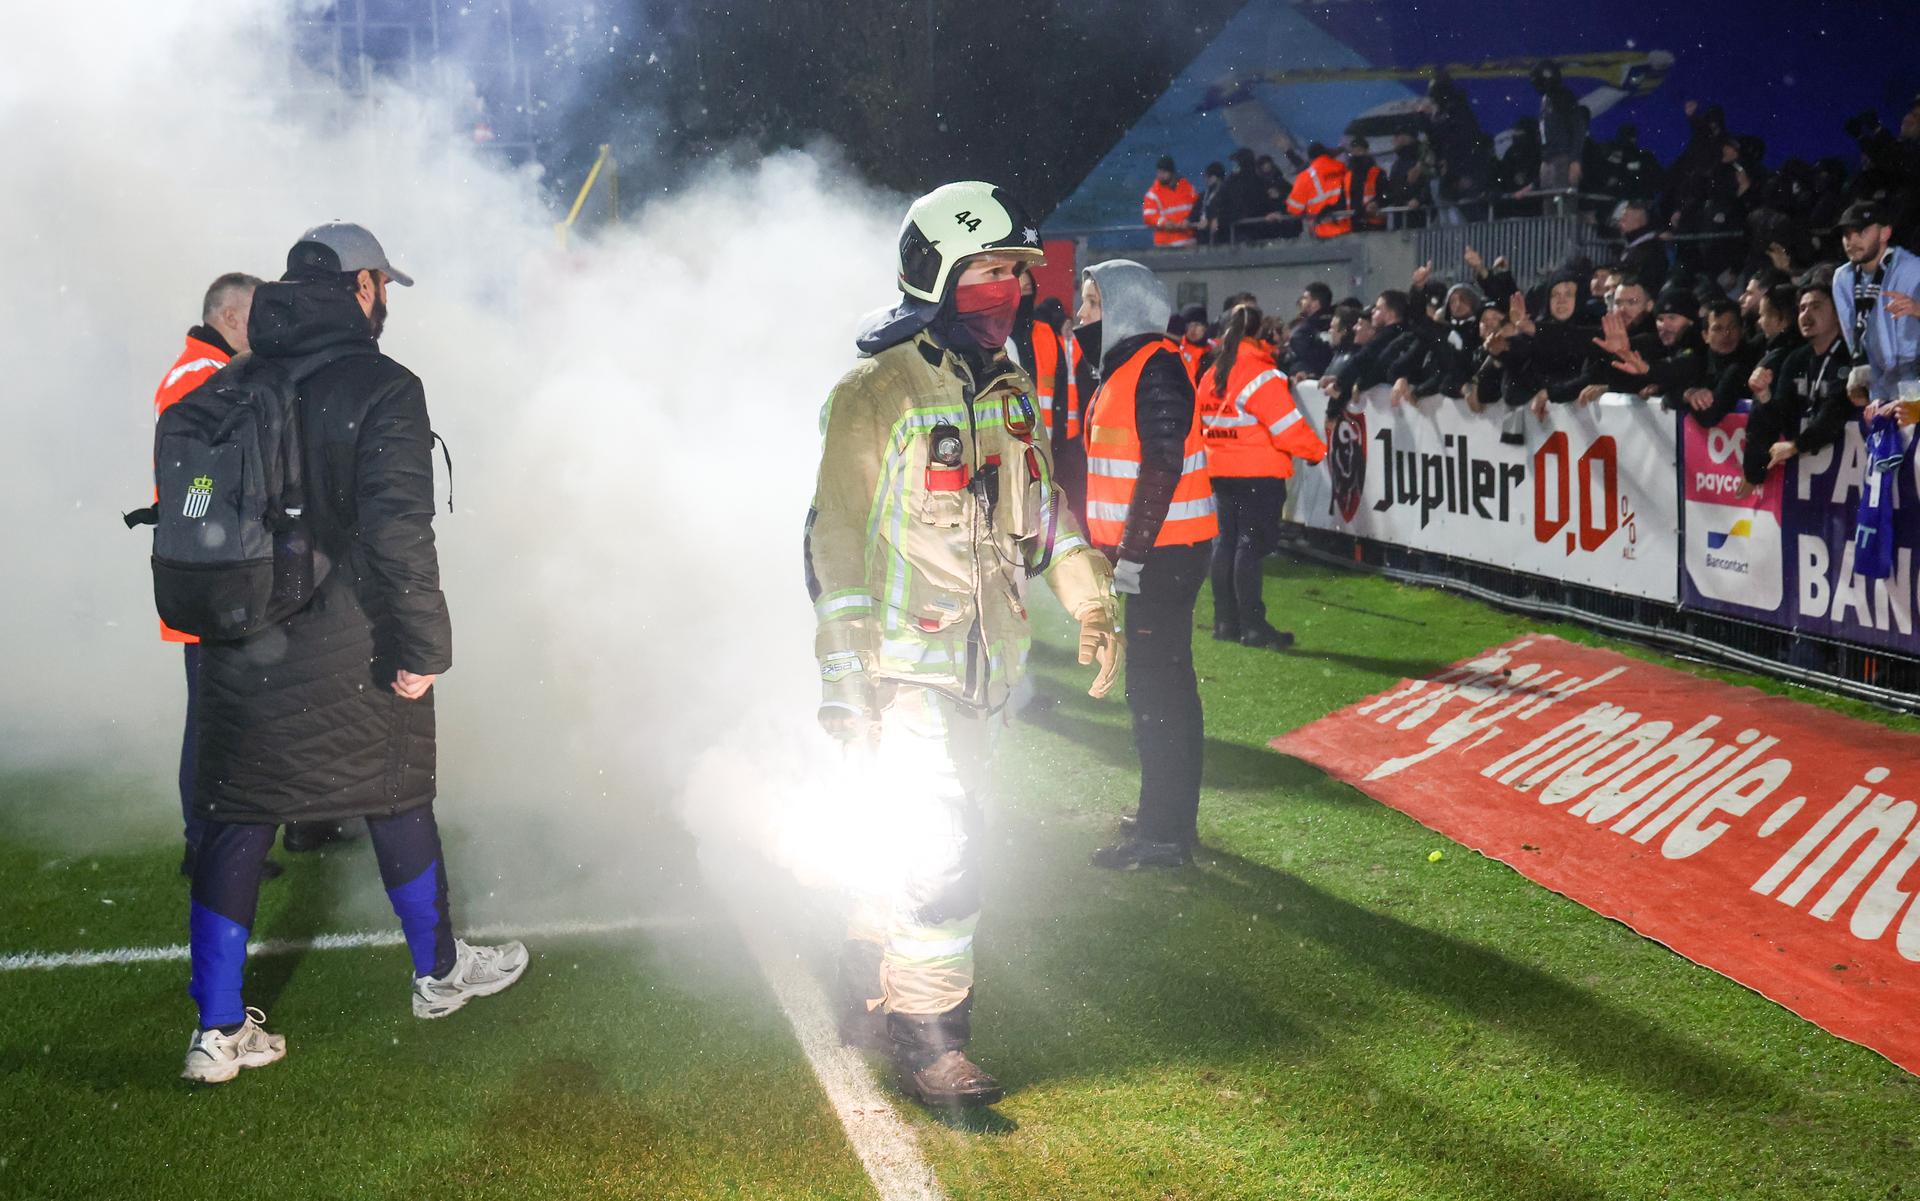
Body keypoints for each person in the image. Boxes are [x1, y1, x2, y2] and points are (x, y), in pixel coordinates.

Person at [181, 223, 527, 1085]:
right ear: (361, 285)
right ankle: (439, 973)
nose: (387, 305)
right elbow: (399, 531)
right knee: (397, 790)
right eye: (385, 287)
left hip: (239, 640)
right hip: (353, 636)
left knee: (238, 817)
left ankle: (217, 1031)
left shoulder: (237, 377)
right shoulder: (385, 386)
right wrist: (425, 646)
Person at [806, 182, 1120, 1108]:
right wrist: (846, 677)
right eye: (990, 272)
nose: (1011, 289)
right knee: (946, 849)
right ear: (937, 275)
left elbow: (1045, 512)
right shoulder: (876, 389)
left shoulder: (1012, 386)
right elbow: (835, 536)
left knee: (916, 834)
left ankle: (866, 963)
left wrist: (1090, 597)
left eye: (1017, 274)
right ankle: (933, 1040)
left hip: (989, 667)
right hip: (906, 666)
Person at [1077, 259, 1215, 870]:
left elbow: (1161, 466)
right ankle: (1165, 816)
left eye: (1091, 303)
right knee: (1162, 689)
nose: (1081, 317)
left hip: (1163, 557)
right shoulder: (1131, 366)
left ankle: (1163, 836)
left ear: (1124, 307)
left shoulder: (1154, 366)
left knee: (1158, 693)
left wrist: (1129, 557)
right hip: (1158, 554)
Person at [154, 272, 262, 878]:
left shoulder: (196, 372)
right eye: (257, 317)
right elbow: (207, 485)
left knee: (227, 714)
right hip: (210, 578)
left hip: (214, 572)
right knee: (213, 719)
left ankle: (222, 840)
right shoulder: (201, 379)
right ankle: (205, 846)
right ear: (228, 316)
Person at [1196, 303, 1326, 648]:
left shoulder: (1212, 373)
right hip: (1258, 474)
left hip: (1220, 472)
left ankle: (1225, 621)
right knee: (1250, 548)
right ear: (1258, 333)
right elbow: (1287, 427)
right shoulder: (1261, 373)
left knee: (1225, 544)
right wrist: (1316, 453)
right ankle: (1253, 626)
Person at [1756, 285, 1858, 482]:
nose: (1806, 314)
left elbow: (1835, 411)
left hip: (1848, 473)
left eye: (1816, 306)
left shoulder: (1849, 357)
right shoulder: (1796, 359)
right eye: (1802, 309)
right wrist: (1764, 394)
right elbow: (1780, 416)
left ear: (1838, 315)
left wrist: (1796, 446)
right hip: (1812, 470)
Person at [1831, 201, 1920, 404]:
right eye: (1846, 234)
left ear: (1884, 233)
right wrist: (1858, 366)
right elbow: (1852, 330)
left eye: (1860, 232)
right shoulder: (1843, 278)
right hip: (1878, 386)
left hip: (1914, 382)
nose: (1851, 241)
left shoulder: (1913, 270)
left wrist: (1917, 309)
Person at [1142, 156, 1198, 247]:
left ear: (1172, 173)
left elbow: (1197, 207)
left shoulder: (1187, 187)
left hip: (1188, 241)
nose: (1160, 175)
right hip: (1165, 243)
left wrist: (1188, 220)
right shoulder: (1152, 194)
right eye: (1159, 172)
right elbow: (1148, 217)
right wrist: (1164, 223)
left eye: (1164, 172)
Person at [1176, 304, 1212, 381]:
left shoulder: (1214, 350)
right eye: (1189, 325)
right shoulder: (1177, 349)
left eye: (1197, 325)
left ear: (1205, 327)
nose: (1193, 330)